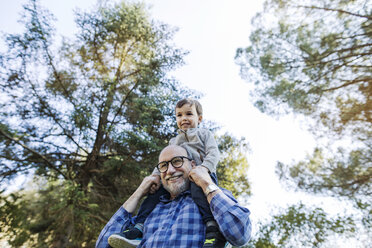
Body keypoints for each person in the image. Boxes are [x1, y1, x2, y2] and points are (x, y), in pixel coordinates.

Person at [108, 98, 225, 248]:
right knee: (153, 196)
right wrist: (155, 177)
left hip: (200, 175)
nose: (184, 118)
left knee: (200, 194)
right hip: (178, 178)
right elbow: (164, 162)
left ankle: (213, 229)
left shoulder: (204, 134)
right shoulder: (174, 141)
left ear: (199, 118)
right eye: (179, 115)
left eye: (189, 114)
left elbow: (213, 153)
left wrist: (205, 168)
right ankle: (138, 229)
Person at [96, 145, 252, 248]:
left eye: (177, 161)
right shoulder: (150, 210)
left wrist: (205, 182)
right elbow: (103, 245)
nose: (170, 170)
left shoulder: (212, 198)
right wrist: (140, 191)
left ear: (192, 165)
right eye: (163, 166)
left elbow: (240, 233)